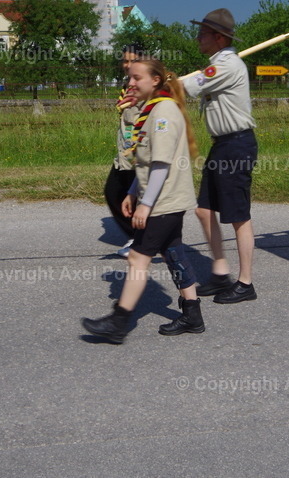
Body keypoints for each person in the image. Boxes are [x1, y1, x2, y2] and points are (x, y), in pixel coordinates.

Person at [82, 57, 204, 342]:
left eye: (137, 78)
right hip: (164, 197)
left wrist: (146, 204)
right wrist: (132, 191)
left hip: (164, 201)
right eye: (130, 78)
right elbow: (147, 161)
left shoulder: (162, 113)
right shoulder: (151, 111)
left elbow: (161, 165)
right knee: (173, 250)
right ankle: (192, 313)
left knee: (137, 257)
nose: (131, 83)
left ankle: (119, 322)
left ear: (156, 80)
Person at [183, 8, 259, 304]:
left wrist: (160, 81)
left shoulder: (226, 66)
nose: (197, 38)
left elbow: (189, 87)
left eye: (202, 33)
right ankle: (219, 272)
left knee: (238, 216)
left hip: (237, 145)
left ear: (217, 37)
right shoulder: (216, 65)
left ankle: (245, 283)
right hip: (222, 145)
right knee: (203, 209)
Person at [103, 44, 144, 257]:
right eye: (124, 60)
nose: (126, 64)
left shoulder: (147, 87)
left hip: (139, 153)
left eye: (131, 60)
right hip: (125, 153)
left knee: (135, 194)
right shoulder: (128, 85)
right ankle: (139, 236)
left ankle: (141, 240)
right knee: (114, 191)